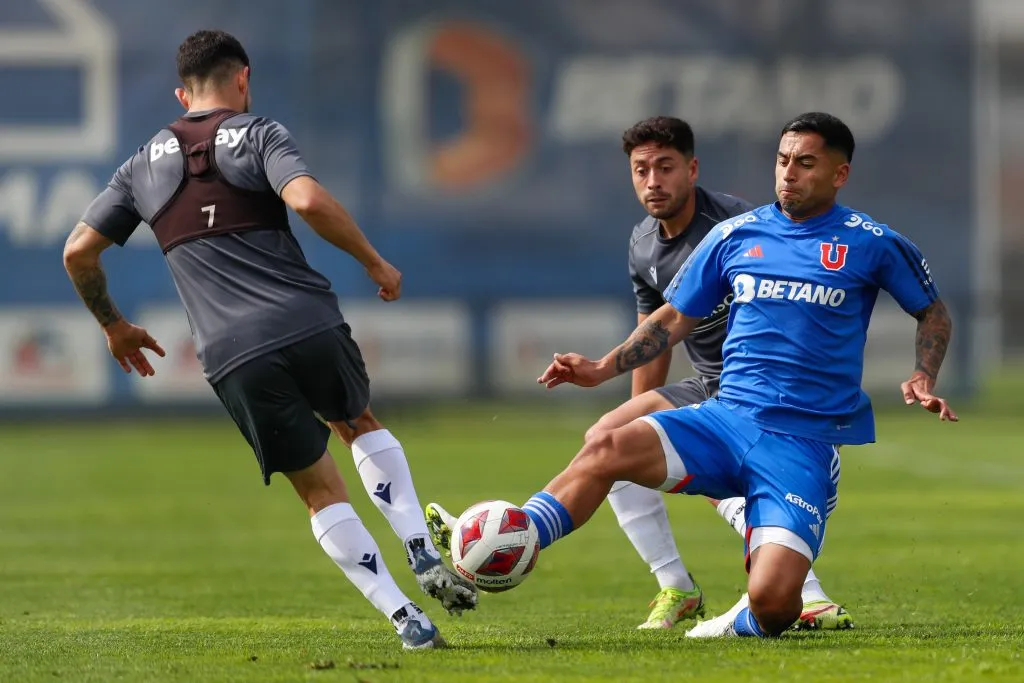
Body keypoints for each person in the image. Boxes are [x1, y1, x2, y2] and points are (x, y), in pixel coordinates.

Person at [451, 111, 956, 638]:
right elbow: (671, 320)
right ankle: (516, 536)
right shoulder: (737, 235)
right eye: (782, 160)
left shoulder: (872, 242)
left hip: (801, 442)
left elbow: (933, 311)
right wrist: (602, 368)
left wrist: (923, 374)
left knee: (777, 606)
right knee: (604, 447)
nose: (788, 174)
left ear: (839, 174)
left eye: (805, 163)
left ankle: (745, 614)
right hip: (724, 418)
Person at [61, 29, 475, 650]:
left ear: (181, 93)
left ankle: (404, 619)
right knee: (357, 420)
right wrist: (373, 261)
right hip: (305, 319)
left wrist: (113, 326)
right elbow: (305, 199)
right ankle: (418, 545)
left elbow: (78, 252)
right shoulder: (257, 133)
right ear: (243, 78)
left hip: (233, 354)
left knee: (317, 491)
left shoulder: (139, 165)